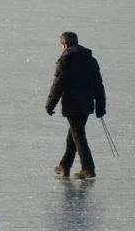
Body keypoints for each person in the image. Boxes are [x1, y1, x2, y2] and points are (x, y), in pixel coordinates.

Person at [45, 32, 106, 179]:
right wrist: (100, 107)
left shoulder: (65, 60)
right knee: (73, 135)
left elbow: (57, 85)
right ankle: (64, 166)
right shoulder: (91, 60)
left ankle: (88, 168)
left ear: (65, 44)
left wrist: (50, 104)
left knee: (78, 135)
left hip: (72, 105)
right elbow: (99, 85)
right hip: (86, 105)